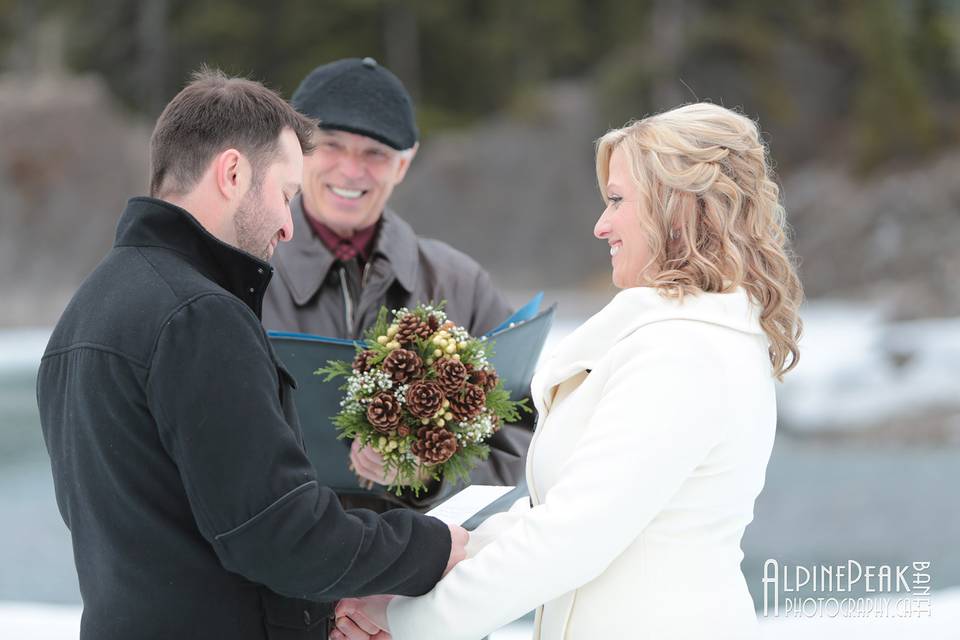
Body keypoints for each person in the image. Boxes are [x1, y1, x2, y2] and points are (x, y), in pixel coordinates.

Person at [333, 102, 805, 639]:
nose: (601, 226)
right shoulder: (683, 340)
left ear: (677, 210)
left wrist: (407, 624)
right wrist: (444, 555)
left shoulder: (682, 354)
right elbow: (560, 516)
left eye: (618, 201)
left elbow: (571, 538)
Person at [35, 67, 468, 640]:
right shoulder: (199, 317)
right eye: (287, 194)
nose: (289, 227)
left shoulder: (86, 312)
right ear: (234, 173)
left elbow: (172, 534)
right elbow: (281, 537)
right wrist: (431, 548)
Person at [262, 57, 532, 511]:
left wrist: (430, 473)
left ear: (404, 165)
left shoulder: (460, 283)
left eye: (375, 153)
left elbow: (521, 447)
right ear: (296, 151)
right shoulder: (246, 274)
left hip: (420, 574)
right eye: (331, 145)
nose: (351, 171)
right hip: (278, 571)